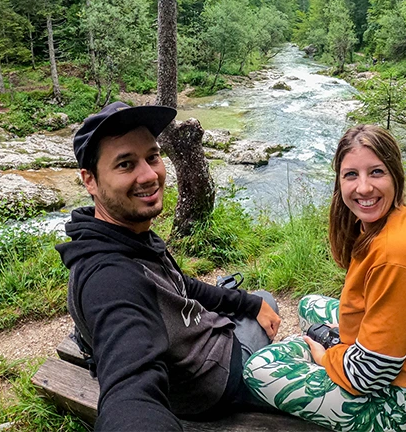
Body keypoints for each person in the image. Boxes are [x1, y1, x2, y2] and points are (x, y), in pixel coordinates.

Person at [56, 102, 281, 431]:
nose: (149, 175)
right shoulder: (111, 279)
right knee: (271, 301)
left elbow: (181, 286)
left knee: (258, 301)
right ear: (90, 181)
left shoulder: (124, 233)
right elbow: (130, 389)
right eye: (125, 164)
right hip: (212, 383)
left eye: (152, 156)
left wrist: (247, 303)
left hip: (194, 358)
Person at [243, 124, 406, 432]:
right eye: (352, 175)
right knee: (310, 304)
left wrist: (327, 356)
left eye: (376, 172)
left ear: (395, 176)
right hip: (397, 354)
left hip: (395, 402)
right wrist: (347, 341)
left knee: (257, 369)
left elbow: (370, 375)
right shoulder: (388, 221)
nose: (363, 188)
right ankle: (320, 350)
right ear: (340, 180)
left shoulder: (395, 254)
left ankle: (308, 354)